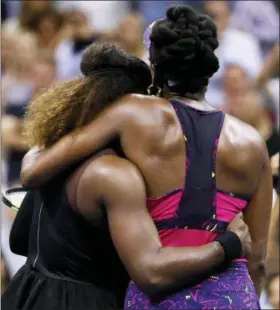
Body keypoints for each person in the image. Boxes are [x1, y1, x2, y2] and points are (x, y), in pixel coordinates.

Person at [21, 6, 272, 309]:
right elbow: (257, 259)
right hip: (234, 296)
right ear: (210, 68)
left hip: (160, 295)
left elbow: (34, 173)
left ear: (154, 66)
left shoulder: (134, 114)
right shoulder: (253, 143)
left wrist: (39, 145)